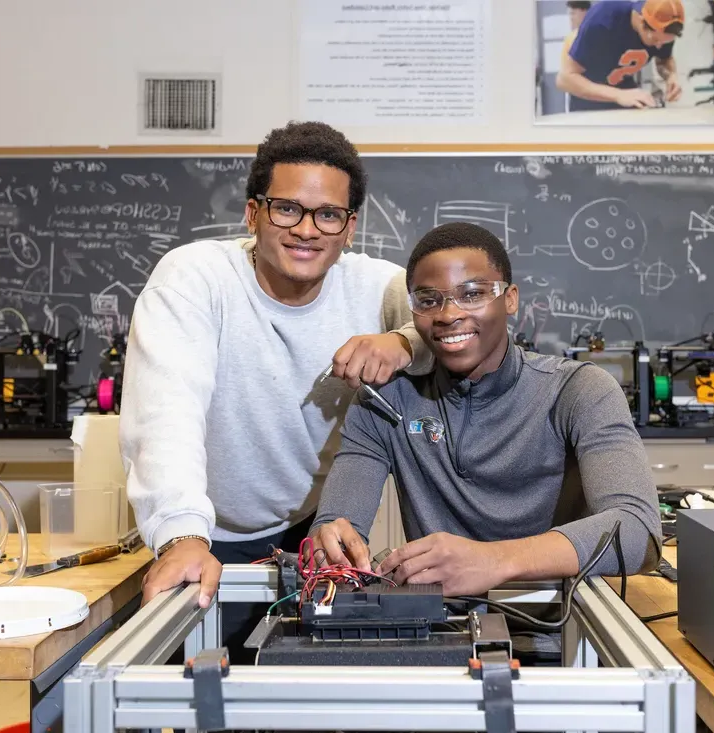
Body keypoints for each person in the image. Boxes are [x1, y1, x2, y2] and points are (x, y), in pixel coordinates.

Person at [119, 121, 433, 657]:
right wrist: (181, 534)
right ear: (253, 213)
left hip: (307, 534)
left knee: (291, 691)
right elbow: (166, 412)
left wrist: (404, 343)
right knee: (202, 690)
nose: (306, 230)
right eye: (287, 208)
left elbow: (455, 328)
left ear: (350, 227)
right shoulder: (195, 277)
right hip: (200, 530)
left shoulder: (380, 286)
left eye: (328, 215)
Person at [309, 222, 662, 596]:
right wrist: (331, 539)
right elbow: (337, 524)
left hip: (563, 634)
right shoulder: (384, 400)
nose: (448, 314)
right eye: (428, 300)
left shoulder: (578, 391)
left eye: (473, 294)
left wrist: (492, 560)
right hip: (436, 630)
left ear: (510, 299)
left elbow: (638, 531)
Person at [556, 0, 684, 113]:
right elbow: (564, 79)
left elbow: (664, 59)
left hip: (627, 96)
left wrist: (670, 76)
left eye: (665, 42)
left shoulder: (663, 29)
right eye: (655, 40)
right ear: (640, 21)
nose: (659, 46)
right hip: (589, 102)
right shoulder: (603, 20)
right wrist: (618, 95)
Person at [559, 1, 594, 113]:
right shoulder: (570, 38)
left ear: (584, 12)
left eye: (573, 13)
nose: (571, 18)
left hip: (588, 96)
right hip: (581, 96)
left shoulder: (573, 38)